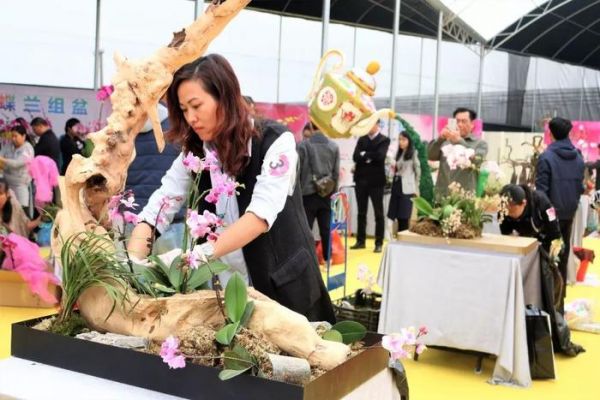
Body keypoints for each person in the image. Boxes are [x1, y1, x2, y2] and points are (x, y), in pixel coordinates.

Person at [128, 54, 335, 323]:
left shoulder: (275, 141)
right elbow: (161, 204)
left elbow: (260, 216)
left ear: (224, 97)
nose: (191, 118)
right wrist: (133, 262)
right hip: (227, 291)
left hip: (283, 286)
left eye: (196, 105)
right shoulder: (194, 153)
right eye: (183, 109)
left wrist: (195, 257)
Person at [535, 116, 584, 314]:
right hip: (569, 213)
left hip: (550, 216)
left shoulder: (546, 157)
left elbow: (541, 192)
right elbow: (579, 187)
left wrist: (544, 216)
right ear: (568, 132)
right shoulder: (578, 156)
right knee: (562, 259)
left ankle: (547, 303)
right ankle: (559, 305)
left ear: (551, 133)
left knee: (546, 259)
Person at [125, 103, 184, 254]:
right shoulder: (176, 126)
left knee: (135, 271)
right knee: (173, 275)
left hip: (134, 219)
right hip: (172, 220)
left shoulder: (125, 130)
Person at [297, 122, 340, 262]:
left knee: (305, 229)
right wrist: (333, 193)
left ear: (310, 128)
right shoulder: (333, 146)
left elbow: (297, 172)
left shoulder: (303, 146)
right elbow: (335, 174)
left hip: (307, 193)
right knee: (326, 229)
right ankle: (328, 259)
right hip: (326, 194)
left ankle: (307, 259)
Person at [427, 107, 488, 196]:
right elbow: (430, 155)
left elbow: (478, 161)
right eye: (457, 121)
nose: (459, 124)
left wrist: (459, 141)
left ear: (472, 124)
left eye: (464, 121)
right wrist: (440, 139)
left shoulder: (480, 144)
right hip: (442, 194)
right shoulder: (446, 141)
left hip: (464, 197)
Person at [350, 120, 390, 253]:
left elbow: (380, 156)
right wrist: (367, 156)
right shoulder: (362, 139)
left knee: (379, 213)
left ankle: (378, 242)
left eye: (371, 124)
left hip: (376, 182)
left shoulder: (384, 140)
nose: (369, 127)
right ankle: (360, 241)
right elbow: (355, 157)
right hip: (361, 181)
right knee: (361, 212)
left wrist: (365, 154)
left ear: (377, 125)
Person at [387, 130, 420, 235]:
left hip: (407, 187)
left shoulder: (413, 153)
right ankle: (394, 237)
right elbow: (396, 168)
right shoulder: (399, 153)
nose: (401, 142)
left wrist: (416, 186)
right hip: (396, 184)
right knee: (393, 213)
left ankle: (403, 239)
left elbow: (418, 170)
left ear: (409, 141)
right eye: (400, 139)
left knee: (404, 215)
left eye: (404, 139)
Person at [0, 123, 34, 210]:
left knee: (22, 209)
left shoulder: (28, 148)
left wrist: (3, 160)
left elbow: (17, 164)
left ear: (23, 136)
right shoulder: (8, 146)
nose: (13, 138)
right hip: (7, 183)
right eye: (12, 136)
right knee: (8, 209)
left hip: (20, 184)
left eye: (16, 136)